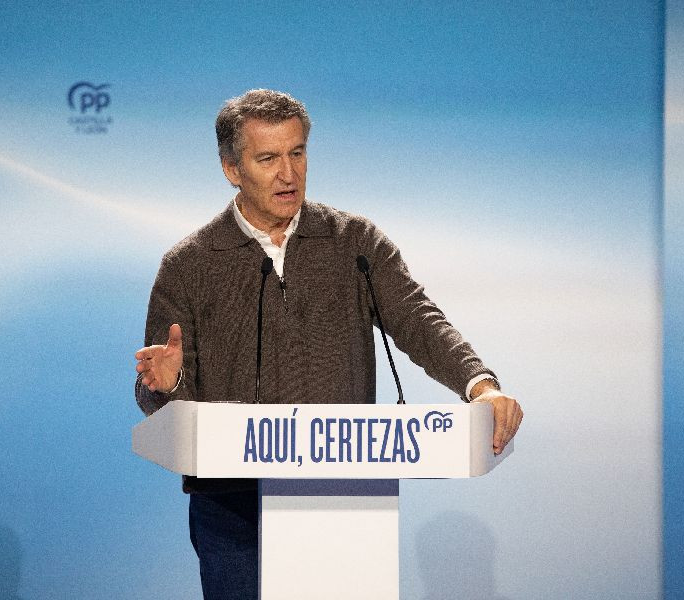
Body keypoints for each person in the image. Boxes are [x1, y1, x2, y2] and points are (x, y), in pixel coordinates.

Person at [134, 89, 523, 600]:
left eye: (297, 153)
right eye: (267, 158)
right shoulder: (189, 264)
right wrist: (168, 385)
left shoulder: (354, 243)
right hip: (232, 509)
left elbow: (418, 320)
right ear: (231, 169)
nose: (288, 173)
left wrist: (480, 384)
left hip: (343, 492)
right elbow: (157, 394)